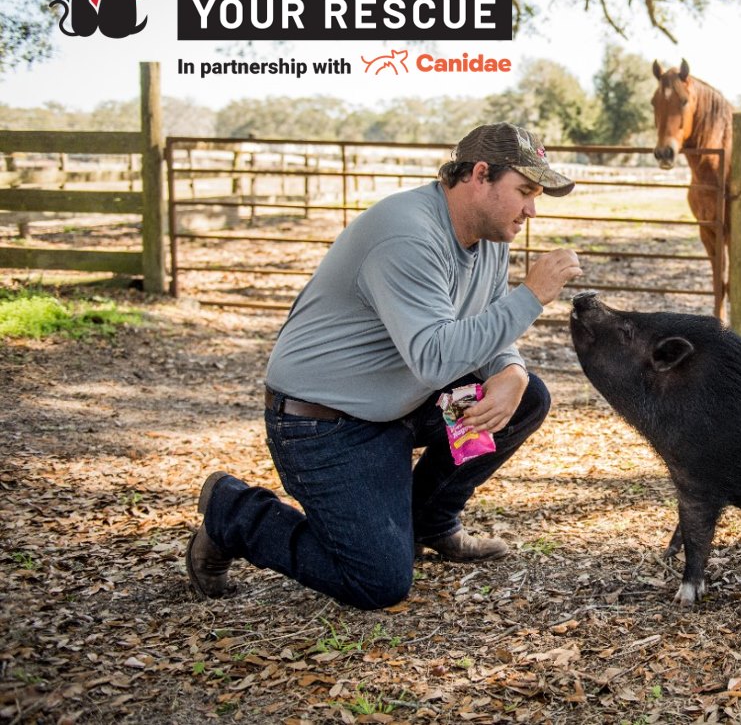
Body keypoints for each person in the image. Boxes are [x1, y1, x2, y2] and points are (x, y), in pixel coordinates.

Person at [185, 122, 583, 610]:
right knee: (377, 582)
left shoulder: (491, 237)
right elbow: (436, 359)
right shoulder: (407, 234)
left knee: (526, 398)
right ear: (480, 175)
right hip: (324, 423)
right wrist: (532, 296)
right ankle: (234, 512)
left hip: (397, 401)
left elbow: (484, 323)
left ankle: (429, 522)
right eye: (524, 191)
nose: (531, 210)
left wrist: (511, 370)